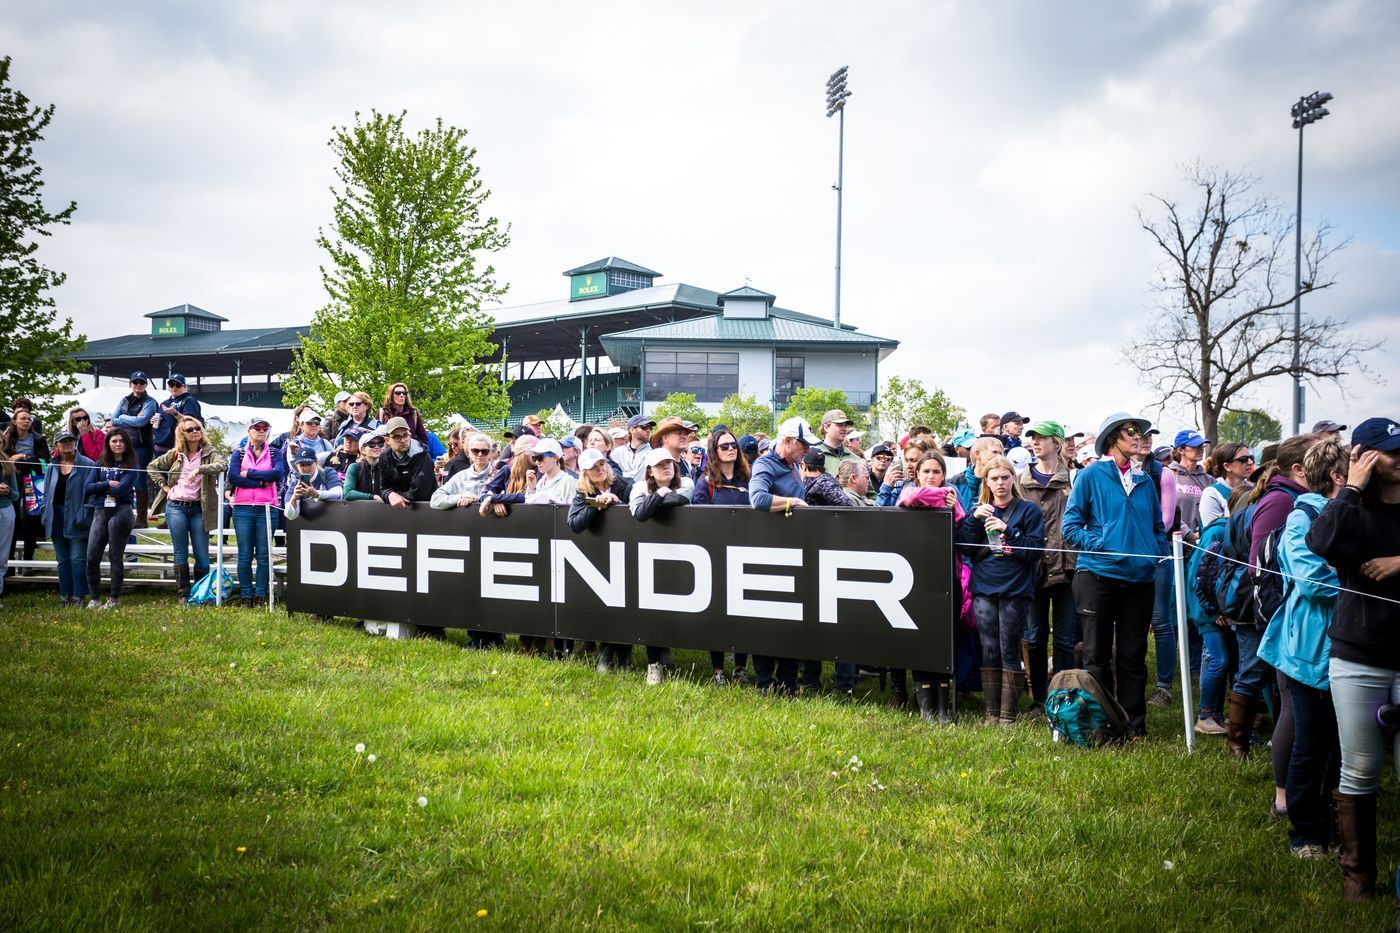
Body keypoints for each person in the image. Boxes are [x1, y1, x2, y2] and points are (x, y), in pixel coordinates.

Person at [1306, 417, 1400, 900]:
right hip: (1359, 652)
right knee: (1360, 767)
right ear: (1364, 455)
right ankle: (1358, 877)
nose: (1399, 458)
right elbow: (1320, 544)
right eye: (1388, 451)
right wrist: (1352, 488)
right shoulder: (1350, 508)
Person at [1257, 439, 1347, 860]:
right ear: (1337, 475)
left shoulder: (1355, 514)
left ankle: (1336, 828)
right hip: (1309, 648)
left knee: (1338, 746)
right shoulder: (1302, 516)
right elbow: (1312, 579)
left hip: (1351, 646)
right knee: (1310, 742)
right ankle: (1305, 834)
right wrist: (1360, 578)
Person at [1061, 412, 1169, 738]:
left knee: (1133, 656)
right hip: (1097, 576)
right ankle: (1102, 726)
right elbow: (1070, 527)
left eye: (1140, 432)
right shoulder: (1091, 476)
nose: (1138, 437)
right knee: (1095, 655)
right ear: (1113, 439)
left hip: (1140, 580)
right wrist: (1104, 545)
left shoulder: (1145, 480)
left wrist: (1154, 552)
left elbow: (1157, 526)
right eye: (1131, 431)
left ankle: (1134, 727)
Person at [1226, 433, 1318, 805]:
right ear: (1298, 467)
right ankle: (1279, 790)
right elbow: (1260, 566)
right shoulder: (1280, 501)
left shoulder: (1293, 497)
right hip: (1280, 612)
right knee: (1279, 694)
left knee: (1287, 700)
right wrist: (1276, 613)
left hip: (1292, 613)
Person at [961, 455, 1045, 723]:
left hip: (1015, 587)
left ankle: (1008, 715)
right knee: (988, 648)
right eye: (994, 478)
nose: (1000, 483)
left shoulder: (1028, 510)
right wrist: (973, 519)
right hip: (984, 584)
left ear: (1013, 479)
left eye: (1005, 477)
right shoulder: (981, 509)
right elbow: (965, 547)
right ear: (986, 481)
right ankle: (991, 712)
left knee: (1009, 647)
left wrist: (1008, 529)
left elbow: (1035, 550)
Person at [747, 417, 814, 694]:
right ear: (787, 441)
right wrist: (792, 502)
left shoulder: (795, 464)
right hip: (767, 551)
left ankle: (788, 681)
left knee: (790, 619)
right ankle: (765, 683)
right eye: (803, 444)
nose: (807, 449)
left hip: (791, 550)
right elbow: (758, 499)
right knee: (766, 618)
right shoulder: (764, 464)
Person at [1015, 421, 1077, 712]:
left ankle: (1063, 697)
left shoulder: (1073, 480)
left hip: (1066, 570)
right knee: (1035, 637)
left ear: (1057, 442)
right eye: (1032, 438)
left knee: (1065, 639)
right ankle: (1038, 698)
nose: (1035, 442)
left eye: (1041, 437)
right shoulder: (1019, 480)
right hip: (1033, 570)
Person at [690, 429, 751, 683]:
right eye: (724, 446)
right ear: (714, 451)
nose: (730, 449)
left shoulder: (748, 479)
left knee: (744, 613)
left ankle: (740, 667)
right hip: (715, 557)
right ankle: (717, 670)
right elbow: (698, 518)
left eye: (733, 445)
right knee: (716, 615)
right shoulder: (706, 483)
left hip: (745, 555)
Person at [629, 447, 692, 684]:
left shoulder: (686, 481)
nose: (666, 467)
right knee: (652, 607)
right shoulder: (638, 488)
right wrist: (659, 494)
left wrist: (660, 497)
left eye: (668, 463)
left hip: (682, 552)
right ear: (650, 471)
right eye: (659, 465)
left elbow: (680, 500)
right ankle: (654, 662)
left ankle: (671, 652)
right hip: (649, 553)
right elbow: (641, 514)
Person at [567, 449, 634, 672]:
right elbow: (575, 524)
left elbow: (637, 511)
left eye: (602, 463)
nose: (600, 469)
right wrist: (597, 504)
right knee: (609, 606)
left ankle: (624, 656)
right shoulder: (581, 493)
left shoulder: (625, 484)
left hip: (629, 552)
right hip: (601, 556)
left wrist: (617, 502)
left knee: (628, 605)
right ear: (585, 472)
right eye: (594, 467)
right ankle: (606, 654)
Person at [149, 416, 227, 602]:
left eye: (197, 428)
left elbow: (222, 464)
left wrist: (199, 469)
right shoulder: (175, 453)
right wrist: (165, 487)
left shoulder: (209, 451)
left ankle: (201, 592)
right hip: (176, 507)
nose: (195, 431)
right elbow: (152, 467)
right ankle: (183, 594)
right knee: (180, 551)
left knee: (202, 552)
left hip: (199, 508)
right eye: (190, 429)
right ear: (182, 434)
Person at [227, 418, 282, 608]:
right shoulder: (239, 453)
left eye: (265, 428)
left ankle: (260, 594)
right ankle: (245, 595)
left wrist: (248, 474)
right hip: (242, 507)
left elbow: (276, 475)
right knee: (244, 554)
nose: (261, 431)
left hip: (267, 508)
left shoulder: (275, 452)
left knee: (264, 554)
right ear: (248, 430)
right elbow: (234, 477)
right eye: (257, 428)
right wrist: (260, 482)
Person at [83, 429, 138, 609]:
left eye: (121, 441)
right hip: (100, 512)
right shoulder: (99, 463)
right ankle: (95, 598)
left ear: (126, 444)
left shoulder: (131, 465)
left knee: (115, 555)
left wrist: (99, 487)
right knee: (92, 556)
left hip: (121, 511)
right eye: (114, 441)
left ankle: (114, 598)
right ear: (108, 443)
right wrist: (107, 484)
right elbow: (87, 487)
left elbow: (122, 491)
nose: (118, 444)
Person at [41, 432, 94, 608]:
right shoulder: (51, 466)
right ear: (56, 445)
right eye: (63, 442)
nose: (67, 444)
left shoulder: (87, 464)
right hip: (56, 516)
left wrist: (86, 514)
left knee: (77, 558)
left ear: (76, 443)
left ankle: (79, 595)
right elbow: (47, 493)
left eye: (71, 441)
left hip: (78, 517)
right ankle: (65, 595)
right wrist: (44, 513)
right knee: (62, 559)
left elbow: (93, 493)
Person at [109, 372, 159, 528]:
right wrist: (130, 419)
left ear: (145, 385)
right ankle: (123, 512)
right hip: (124, 444)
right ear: (130, 384)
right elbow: (113, 420)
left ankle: (142, 518)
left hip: (142, 446)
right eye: (135, 382)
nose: (138, 385)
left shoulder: (150, 401)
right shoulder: (124, 400)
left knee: (139, 480)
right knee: (122, 477)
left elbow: (141, 421)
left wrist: (123, 418)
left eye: (141, 383)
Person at [3, 407, 49, 568]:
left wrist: (22, 457)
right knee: (12, 521)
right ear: (14, 421)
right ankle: (7, 563)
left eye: (29, 419)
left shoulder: (39, 439)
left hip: (32, 483)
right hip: (11, 482)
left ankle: (28, 562)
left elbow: (44, 461)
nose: (27, 421)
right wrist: (11, 464)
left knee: (31, 520)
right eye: (23, 418)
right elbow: (3, 458)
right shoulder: (6, 438)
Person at [376, 417, 436, 509]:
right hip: (398, 511)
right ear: (387, 440)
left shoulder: (421, 455)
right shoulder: (384, 457)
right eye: (397, 437)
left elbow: (419, 493)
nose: (403, 440)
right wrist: (390, 495)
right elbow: (382, 487)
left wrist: (396, 496)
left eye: (405, 435)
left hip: (426, 509)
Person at [431, 433, 496, 509]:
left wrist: (497, 501)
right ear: (470, 453)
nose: (480, 454)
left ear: (490, 453)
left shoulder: (499, 475)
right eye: (475, 451)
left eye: (484, 451)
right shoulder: (460, 477)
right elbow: (435, 500)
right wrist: (460, 497)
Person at [1199, 442, 1255, 526]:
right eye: (1243, 459)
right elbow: (1214, 531)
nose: (1250, 462)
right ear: (1227, 466)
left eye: (1251, 458)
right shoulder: (1212, 494)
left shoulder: (1255, 489)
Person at [151, 373, 203, 461]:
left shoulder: (190, 401)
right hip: (160, 446)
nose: (174, 387)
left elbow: (190, 422)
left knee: (176, 474)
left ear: (184, 387)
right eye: (171, 385)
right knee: (159, 473)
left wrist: (175, 413)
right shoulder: (165, 403)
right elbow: (159, 421)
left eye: (178, 385)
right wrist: (153, 420)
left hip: (179, 447)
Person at [283, 448, 345, 519]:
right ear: (297, 466)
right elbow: (290, 516)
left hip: (333, 518)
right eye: (302, 465)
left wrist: (316, 494)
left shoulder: (327, 472)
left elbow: (338, 493)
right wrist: (294, 497)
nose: (306, 468)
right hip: (310, 525)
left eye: (309, 464)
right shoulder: (296, 482)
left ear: (317, 463)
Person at [949, 435, 1005, 513]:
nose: (999, 457)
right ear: (977, 454)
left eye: (1001, 453)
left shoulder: (1002, 482)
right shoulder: (955, 482)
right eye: (995, 452)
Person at [875, 437, 930, 506]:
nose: (908, 466)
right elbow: (880, 514)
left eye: (913, 460)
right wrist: (886, 487)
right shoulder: (900, 485)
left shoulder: (942, 486)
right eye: (906, 461)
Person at [524, 439, 578, 504]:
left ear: (555, 457)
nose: (537, 462)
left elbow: (573, 510)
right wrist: (532, 489)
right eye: (534, 458)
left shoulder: (567, 481)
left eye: (540, 457)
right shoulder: (540, 483)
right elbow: (529, 509)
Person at [610, 414, 654, 485]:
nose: (648, 430)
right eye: (644, 427)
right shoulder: (618, 452)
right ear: (632, 429)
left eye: (650, 427)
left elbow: (641, 480)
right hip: (619, 494)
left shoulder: (653, 453)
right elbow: (611, 476)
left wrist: (623, 475)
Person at [343, 430, 386, 501]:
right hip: (361, 510)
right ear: (362, 449)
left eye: (380, 443)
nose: (377, 447)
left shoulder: (388, 467)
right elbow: (348, 493)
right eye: (371, 444)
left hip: (386, 510)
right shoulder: (354, 467)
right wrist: (372, 497)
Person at [815, 409, 859, 475]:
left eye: (846, 425)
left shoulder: (856, 459)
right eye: (839, 425)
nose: (844, 428)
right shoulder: (814, 456)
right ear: (826, 427)